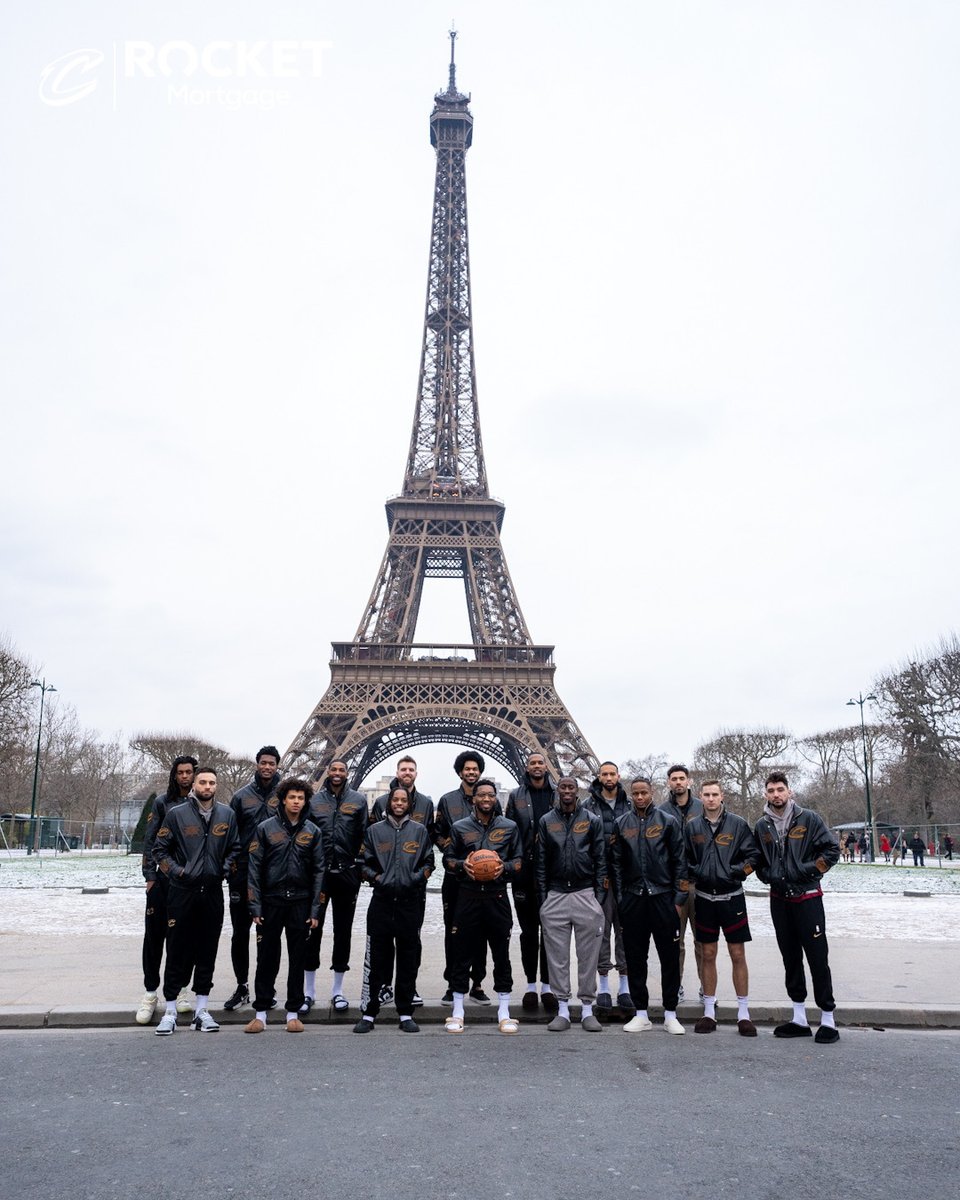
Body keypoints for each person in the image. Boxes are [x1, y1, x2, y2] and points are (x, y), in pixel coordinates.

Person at [754, 772, 840, 1044]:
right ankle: (799, 1017)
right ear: (765, 794)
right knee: (790, 958)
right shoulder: (762, 825)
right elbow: (757, 859)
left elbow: (831, 851)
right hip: (780, 900)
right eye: (771, 790)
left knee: (817, 958)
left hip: (808, 897)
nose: (776, 794)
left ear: (789, 792)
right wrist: (768, 875)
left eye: (780, 789)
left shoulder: (809, 819)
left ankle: (828, 1018)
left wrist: (806, 870)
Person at [153, 767, 240, 1035]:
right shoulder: (176, 814)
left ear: (216, 785)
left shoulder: (227, 814)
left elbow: (235, 848)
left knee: (207, 951)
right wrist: (179, 872)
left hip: (212, 891)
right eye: (202, 781)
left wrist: (222, 870)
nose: (207, 786)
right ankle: (169, 1011)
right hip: (182, 892)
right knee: (177, 950)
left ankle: (202, 1010)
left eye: (212, 782)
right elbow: (159, 849)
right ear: (194, 785)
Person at [443, 777, 522, 1034]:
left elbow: (519, 860)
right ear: (473, 798)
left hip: (497, 897)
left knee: (501, 954)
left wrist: (504, 868)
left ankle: (504, 1011)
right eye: (481, 795)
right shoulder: (459, 827)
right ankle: (457, 1011)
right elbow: (447, 860)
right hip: (468, 896)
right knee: (461, 953)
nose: (486, 799)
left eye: (491, 795)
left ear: (496, 797)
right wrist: (460, 866)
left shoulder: (509, 827)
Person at [245, 778, 325, 1033]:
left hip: (300, 902)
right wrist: (255, 906)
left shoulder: (313, 831)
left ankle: (293, 1012)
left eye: (300, 798)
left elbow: (318, 873)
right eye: (292, 797)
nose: (296, 802)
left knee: (297, 959)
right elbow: (254, 869)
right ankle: (261, 1013)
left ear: (305, 801)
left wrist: (315, 910)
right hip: (271, 901)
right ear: (283, 799)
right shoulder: (265, 829)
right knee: (266, 958)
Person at [354, 784, 435, 1033]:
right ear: (389, 803)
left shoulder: (420, 831)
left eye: (404, 800)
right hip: (382, 901)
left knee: (408, 959)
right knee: (377, 959)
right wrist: (378, 879)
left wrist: (415, 879)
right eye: (395, 799)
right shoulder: (374, 831)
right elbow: (361, 863)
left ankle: (405, 1011)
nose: (399, 803)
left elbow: (429, 862)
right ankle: (369, 1012)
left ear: (410, 804)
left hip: (410, 903)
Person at [610, 776, 687, 1035]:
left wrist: (678, 900)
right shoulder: (621, 823)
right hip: (633, 898)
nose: (640, 797)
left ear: (652, 792)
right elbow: (616, 865)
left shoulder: (669, 822)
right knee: (635, 958)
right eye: (636, 793)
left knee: (669, 958)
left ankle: (670, 1013)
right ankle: (640, 1013)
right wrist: (621, 899)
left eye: (644, 792)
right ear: (631, 794)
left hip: (663, 897)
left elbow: (680, 862)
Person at [684, 781, 760, 1036]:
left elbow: (754, 857)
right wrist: (698, 873)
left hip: (732, 897)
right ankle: (708, 1011)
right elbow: (684, 859)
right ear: (700, 797)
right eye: (706, 795)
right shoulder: (693, 826)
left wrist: (736, 872)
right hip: (704, 897)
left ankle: (743, 1012)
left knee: (737, 954)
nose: (711, 799)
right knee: (708, 954)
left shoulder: (738, 824)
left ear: (722, 796)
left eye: (715, 794)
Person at [535, 776, 606, 1032]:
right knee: (557, 957)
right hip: (555, 895)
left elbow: (601, 859)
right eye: (563, 787)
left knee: (588, 957)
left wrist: (598, 898)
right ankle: (562, 1009)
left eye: (571, 788)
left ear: (578, 791)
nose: (567, 791)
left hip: (585, 893)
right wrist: (544, 900)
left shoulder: (592, 820)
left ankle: (587, 1008)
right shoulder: (546, 821)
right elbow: (540, 862)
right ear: (558, 790)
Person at [300, 759, 368, 1013]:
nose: (337, 773)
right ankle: (309, 992)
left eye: (341, 770)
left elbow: (364, 835)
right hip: (318, 875)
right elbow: (304, 834)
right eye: (334, 769)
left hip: (347, 874)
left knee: (343, 931)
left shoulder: (359, 800)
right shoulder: (313, 800)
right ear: (328, 772)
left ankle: (337, 991)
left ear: (347, 773)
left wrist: (358, 866)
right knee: (311, 930)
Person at [136, 754, 197, 1025]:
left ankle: (181, 989)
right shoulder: (162, 803)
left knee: (183, 939)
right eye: (180, 772)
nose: (184, 776)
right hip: (162, 881)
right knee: (154, 939)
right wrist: (150, 877)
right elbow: (150, 841)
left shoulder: (201, 805)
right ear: (175, 775)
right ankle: (150, 993)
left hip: (187, 883)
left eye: (189, 772)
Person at [435, 751, 496, 1005]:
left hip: (484, 879)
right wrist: (455, 855)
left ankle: (478, 983)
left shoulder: (489, 799)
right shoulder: (447, 800)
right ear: (460, 771)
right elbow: (437, 834)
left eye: (475, 769)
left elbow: (498, 829)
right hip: (456, 875)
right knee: (454, 931)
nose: (471, 772)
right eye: (467, 769)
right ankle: (453, 982)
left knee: (481, 931)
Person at [224, 746, 281, 1012]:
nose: (267, 767)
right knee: (239, 933)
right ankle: (242, 985)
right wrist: (231, 866)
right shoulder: (240, 797)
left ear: (277, 765)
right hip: (243, 873)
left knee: (268, 935)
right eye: (263, 763)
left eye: (271, 763)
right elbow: (229, 835)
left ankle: (264, 988)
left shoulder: (286, 795)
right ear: (257, 764)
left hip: (273, 875)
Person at [506, 752, 558, 1012]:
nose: (537, 766)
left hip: (552, 871)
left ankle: (548, 986)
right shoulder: (516, 796)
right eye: (533, 763)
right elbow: (508, 832)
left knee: (550, 931)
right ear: (527, 767)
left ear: (546, 766)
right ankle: (529, 985)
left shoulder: (560, 793)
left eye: (540, 762)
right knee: (528, 931)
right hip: (524, 871)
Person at [584, 761, 633, 1016]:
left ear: (618, 776)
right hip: (599, 877)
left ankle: (624, 986)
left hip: (626, 877)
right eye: (604, 774)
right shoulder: (587, 805)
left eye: (612, 773)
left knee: (624, 932)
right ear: (599, 776)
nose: (608, 777)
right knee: (601, 932)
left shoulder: (630, 803)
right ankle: (603, 985)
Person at [661, 764, 705, 1002]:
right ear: (669, 782)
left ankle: (705, 986)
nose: (678, 782)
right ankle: (675, 986)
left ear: (688, 781)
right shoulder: (661, 811)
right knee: (674, 941)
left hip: (699, 883)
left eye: (681, 778)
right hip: (674, 885)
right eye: (674, 779)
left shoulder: (703, 807)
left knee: (702, 941)